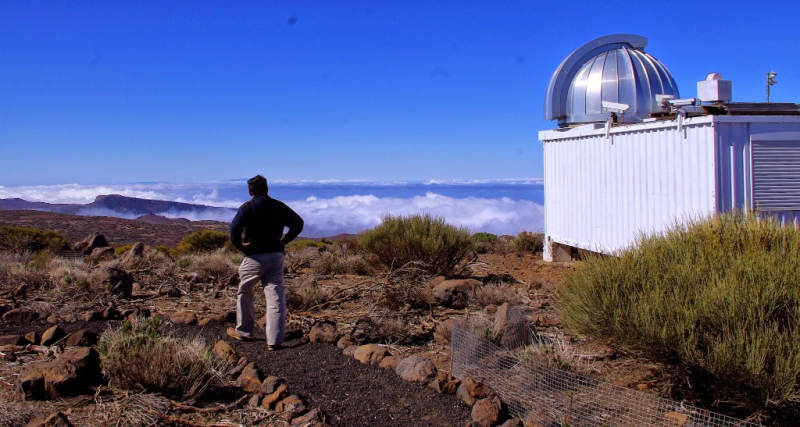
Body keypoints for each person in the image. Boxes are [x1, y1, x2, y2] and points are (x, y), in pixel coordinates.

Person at [228, 175, 304, 350]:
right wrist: (284, 241)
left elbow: (234, 229)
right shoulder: (278, 206)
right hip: (276, 257)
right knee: (276, 297)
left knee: (245, 292)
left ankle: (244, 331)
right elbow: (298, 223)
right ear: (267, 189)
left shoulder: (247, 208)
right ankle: (274, 341)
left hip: (254, 256)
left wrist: (241, 246)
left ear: (250, 191)